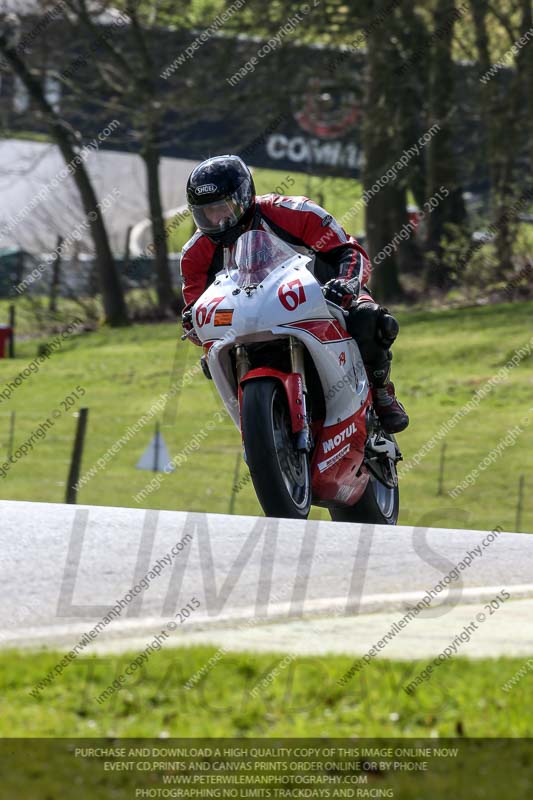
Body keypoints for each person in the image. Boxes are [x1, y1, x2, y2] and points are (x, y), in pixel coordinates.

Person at [181, 155, 409, 434]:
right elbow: (196, 306)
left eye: (223, 207)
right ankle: (265, 432)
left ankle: (382, 392)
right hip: (247, 318)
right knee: (212, 356)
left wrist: (345, 283)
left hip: (322, 298)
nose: (217, 219)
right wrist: (192, 322)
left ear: (244, 197)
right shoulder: (194, 254)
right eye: (206, 212)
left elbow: (348, 251)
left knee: (370, 319)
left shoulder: (294, 211)